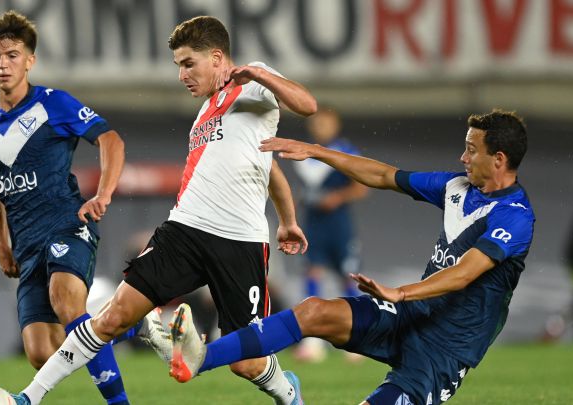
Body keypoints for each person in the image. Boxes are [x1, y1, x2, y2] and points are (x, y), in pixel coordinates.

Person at [9, 15, 315, 405]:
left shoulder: (254, 83)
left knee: (247, 361)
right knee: (113, 315)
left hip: (240, 241)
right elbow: (268, 169)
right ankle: (28, 398)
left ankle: (288, 392)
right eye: (178, 66)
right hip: (184, 230)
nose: (182, 75)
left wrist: (258, 73)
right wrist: (287, 220)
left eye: (188, 63)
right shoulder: (203, 117)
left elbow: (307, 106)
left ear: (217, 57)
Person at [169, 109, 535, 405]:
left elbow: (465, 272)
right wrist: (317, 151)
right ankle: (202, 358)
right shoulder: (456, 187)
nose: (463, 157)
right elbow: (383, 175)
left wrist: (401, 292)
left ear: (499, 159)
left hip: (445, 348)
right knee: (313, 310)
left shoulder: (515, 217)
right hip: (409, 314)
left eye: (471, 150)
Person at [0, 11, 169, 405]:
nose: (2, 64)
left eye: (12, 55)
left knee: (66, 302)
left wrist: (104, 194)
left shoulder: (54, 103)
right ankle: (133, 326)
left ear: (30, 60)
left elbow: (111, 141)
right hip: (26, 243)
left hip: (67, 223)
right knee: (42, 353)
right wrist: (1, 240)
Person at [291, 107, 368, 362]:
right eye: (316, 123)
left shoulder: (346, 152)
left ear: (336, 125)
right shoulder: (304, 153)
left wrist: (337, 197)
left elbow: (362, 187)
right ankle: (312, 340)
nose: (320, 127)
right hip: (313, 224)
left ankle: (358, 337)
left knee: (348, 276)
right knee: (312, 274)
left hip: (339, 224)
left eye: (325, 123)